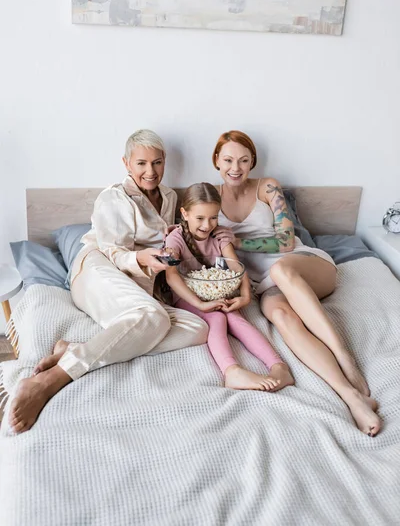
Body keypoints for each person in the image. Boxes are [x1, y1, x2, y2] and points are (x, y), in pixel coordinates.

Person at [9, 130, 209, 434]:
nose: (150, 171)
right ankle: (49, 380)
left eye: (157, 162)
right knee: (152, 317)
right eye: (141, 163)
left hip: (138, 286)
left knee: (198, 328)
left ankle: (78, 348)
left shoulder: (170, 198)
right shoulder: (113, 197)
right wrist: (142, 259)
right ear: (126, 163)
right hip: (97, 268)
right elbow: (112, 250)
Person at [212, 130, 381, 436]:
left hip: (304, 266)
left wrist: (238, 241)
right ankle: (350, 396)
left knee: (282, 271)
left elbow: (287, 241)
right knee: (279, 316)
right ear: (216, 161)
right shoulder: (208, 198)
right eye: (228, 160)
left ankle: (344, 355)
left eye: (243, 160)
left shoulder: (268, 187)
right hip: (264, 283)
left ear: (253, 163)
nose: (235, 167)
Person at [164, 183, 294, 392]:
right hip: (188, 297)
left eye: (213, 217)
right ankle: (231, 371)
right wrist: (200, 304)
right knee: (217, 318)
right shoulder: (175, 239)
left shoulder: (220, 235)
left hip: (220, 292)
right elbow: (171, 278)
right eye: (200, 218)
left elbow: (236, 268)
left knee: (235, 318)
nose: (207, 225)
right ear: (184, 213)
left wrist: (244, 297)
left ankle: (278, 366)